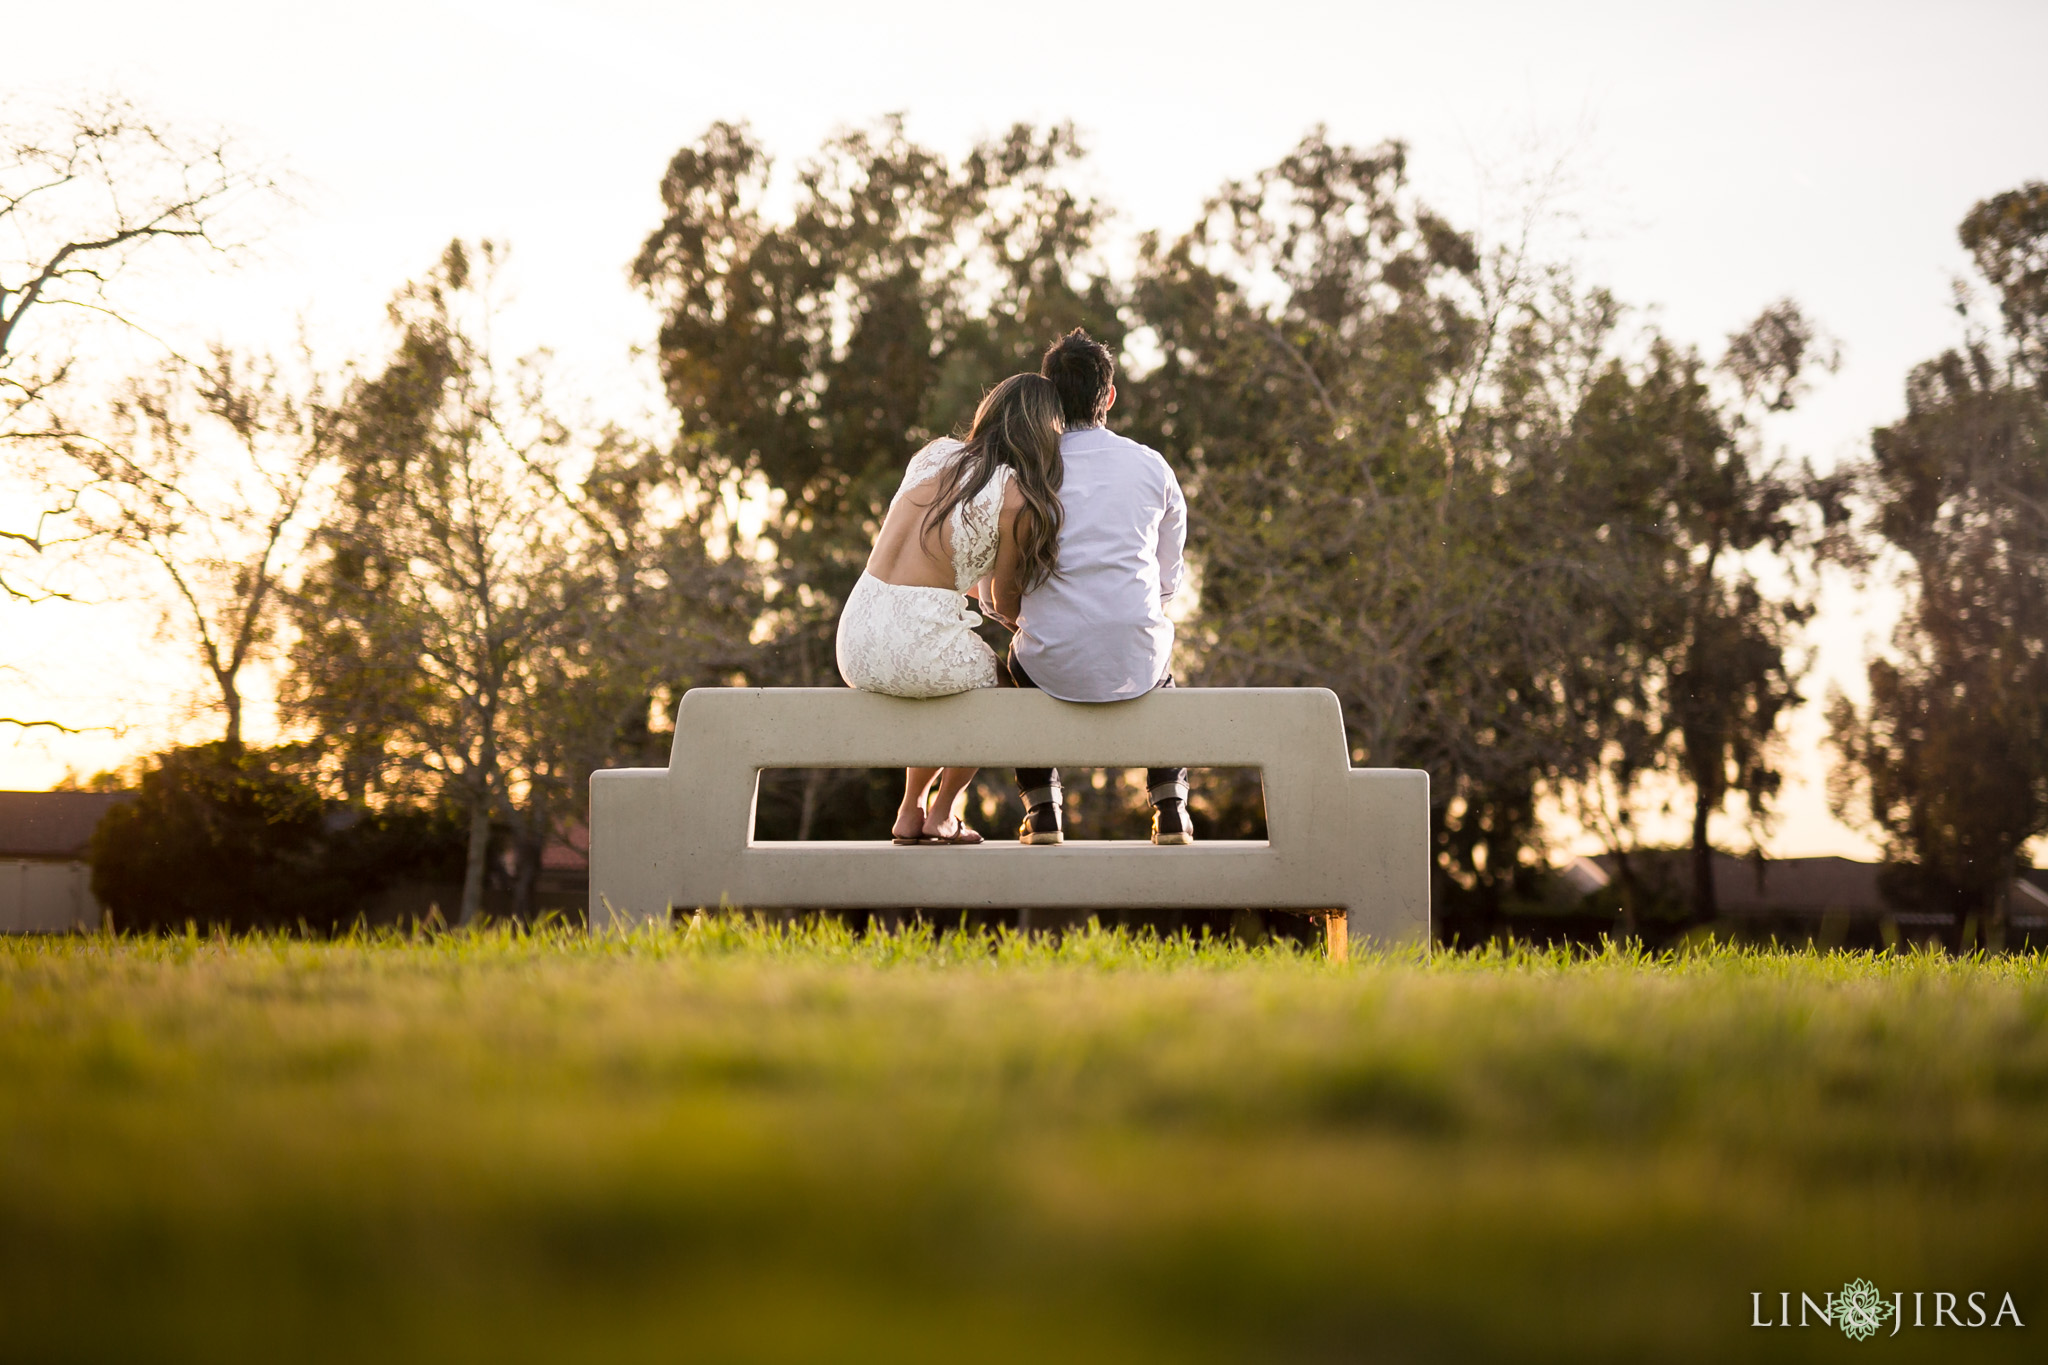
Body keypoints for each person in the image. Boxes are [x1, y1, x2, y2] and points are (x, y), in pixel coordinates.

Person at [835, 373, 1066, 846]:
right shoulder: (1016, 498)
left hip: (855, 630)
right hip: (915, 638)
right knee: (1000, 692)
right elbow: (1001, 600)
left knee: (946, 679)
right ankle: (941, 813)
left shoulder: (933, 453)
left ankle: (908, 810)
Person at [1005, 329, 1192, 846]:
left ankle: (1043, 812)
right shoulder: (1153, 465)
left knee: (1014, 666)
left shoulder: (1029, 469)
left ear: (1048, 395)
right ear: (1108, 396)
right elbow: (1168, 575)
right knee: (1162, 669)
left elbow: (1003, 574)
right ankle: (1170, 805)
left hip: (1049, 662)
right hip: (1136, 656)